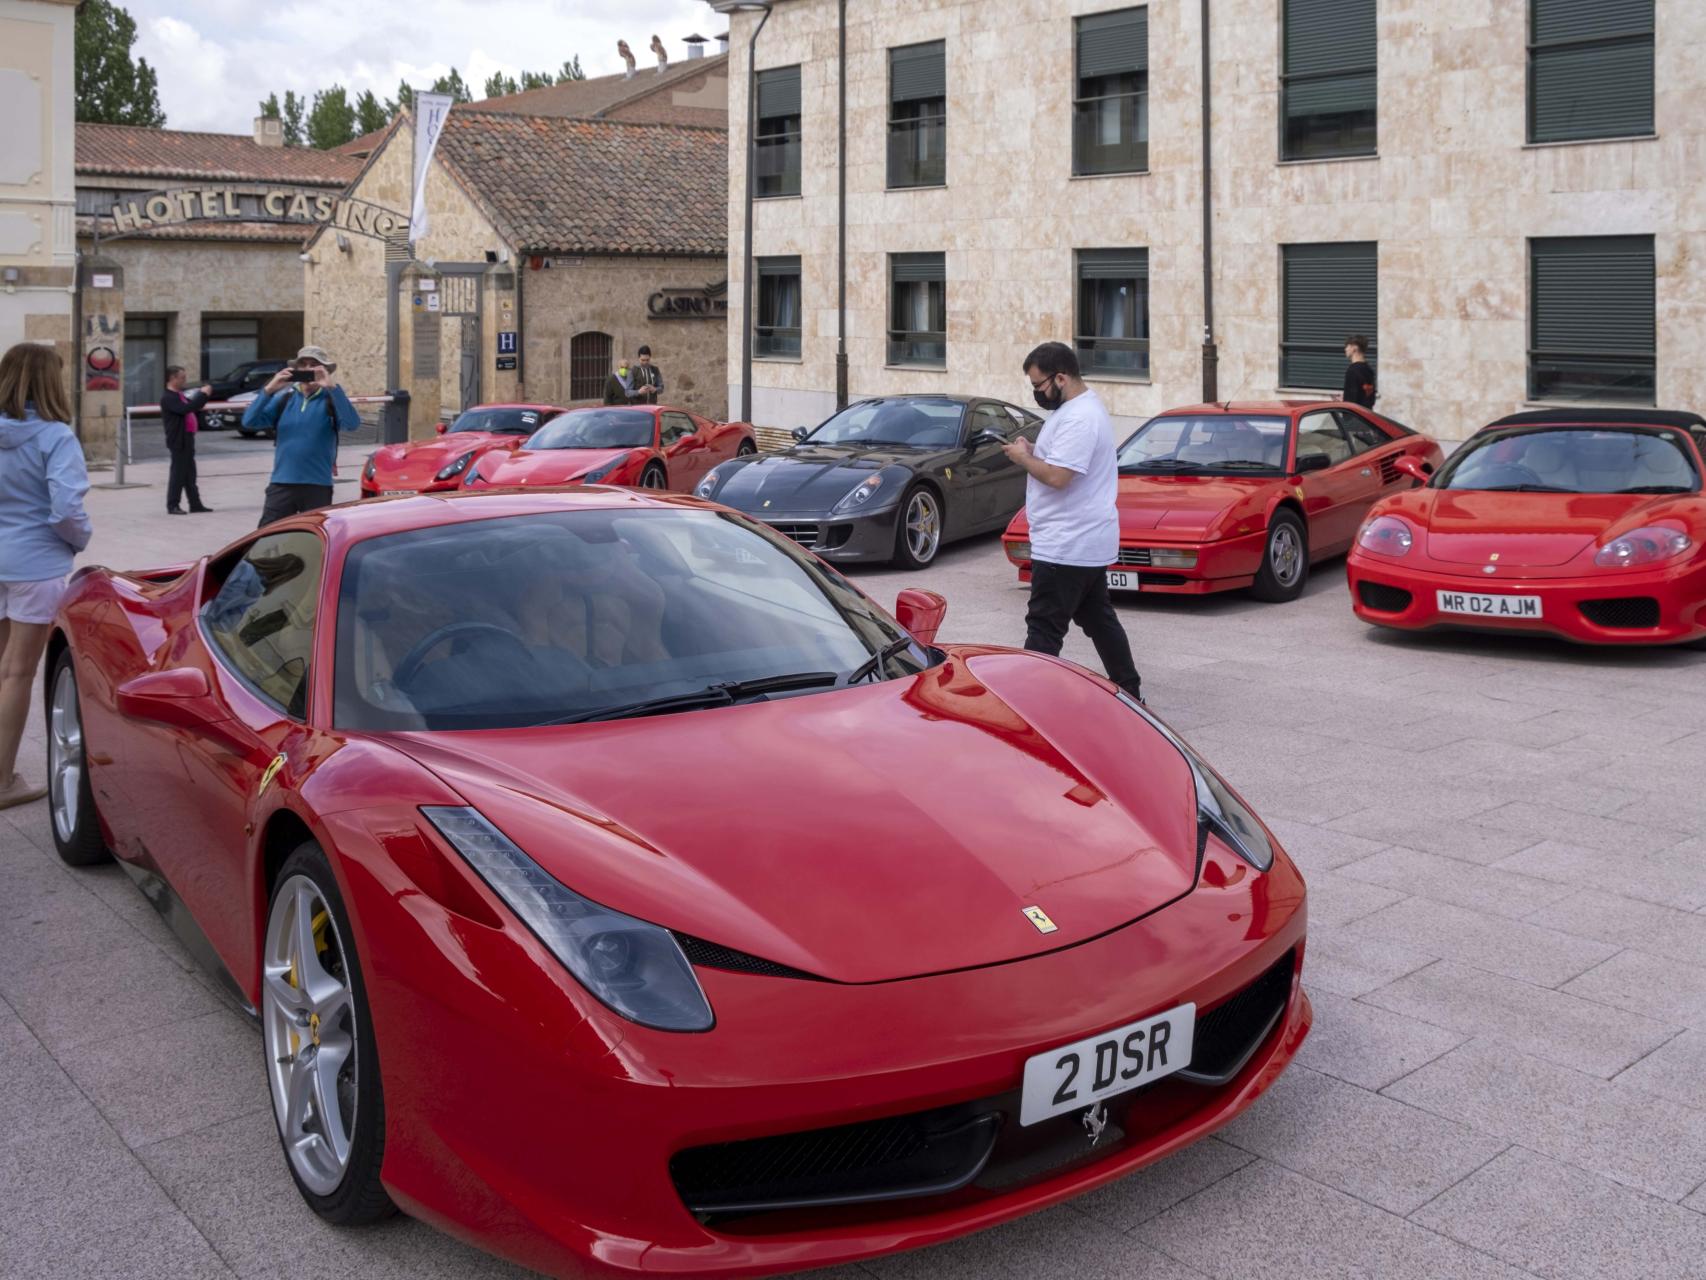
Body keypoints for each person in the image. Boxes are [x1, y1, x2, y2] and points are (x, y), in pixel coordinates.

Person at [1003, 341, 1143, 703]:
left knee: (1044, 628)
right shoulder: (1077, 410)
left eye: (1038, 385)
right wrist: (1035, 452)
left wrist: (1022, 459)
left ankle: (1030, 709)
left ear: (1061, 377)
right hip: (1080, 541)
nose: (1036, 393)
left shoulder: (1081, 417)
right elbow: (1061, 464)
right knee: (1098, 620)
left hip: (1067, 543)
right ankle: (1131, 693)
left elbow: (1059, 478)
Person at [0, 342, 92, 809]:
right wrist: (78, 540)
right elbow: (65, 508)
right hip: (36, 563)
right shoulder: (55, 437)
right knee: (17, 673)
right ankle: (2, 781)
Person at [242, 345, 361, 527]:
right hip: (282, 483)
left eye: (314, 365)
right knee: (267, 537)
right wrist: (268, 390)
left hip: (317, 485)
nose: (307, 370)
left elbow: (352, 424)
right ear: (295, 370)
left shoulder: (331, 398)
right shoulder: (284, 398)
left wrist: (332, 388)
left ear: (325, 370)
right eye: (303, 365)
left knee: (315, 539)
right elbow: (249, 421)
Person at [160, 365, 213, 514]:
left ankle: (195, 504)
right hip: (178, 439)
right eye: (182, 377)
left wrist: (203, 395)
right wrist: (203, 395)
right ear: (172, 378)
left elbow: (192, 405)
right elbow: (186, 409)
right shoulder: (168, 397)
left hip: (187, 437)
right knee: (178, 473)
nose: (185, 380)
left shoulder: (179, 395)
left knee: (190, 472)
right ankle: (173, 505)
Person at [1343, 336, 1377, 409]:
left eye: (1347, 346)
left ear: (1354, 348)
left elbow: (1351, 400)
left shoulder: (1352, 371)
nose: (1345, 349)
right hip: (1367, 414)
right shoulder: (1368, 369)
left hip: (1354, 417)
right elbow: (1369, 396)